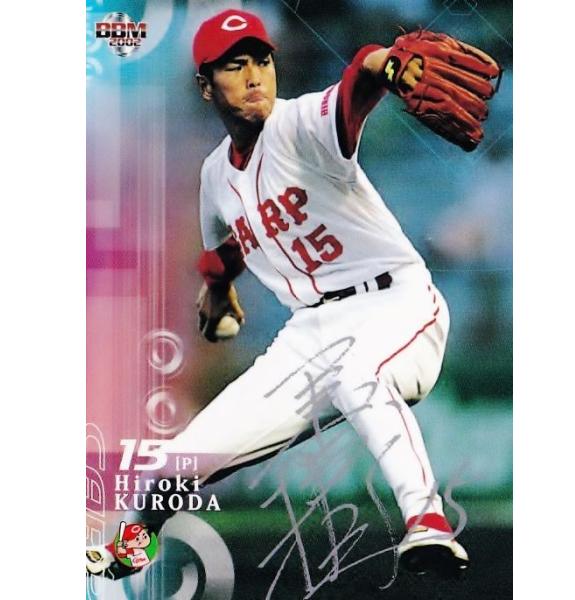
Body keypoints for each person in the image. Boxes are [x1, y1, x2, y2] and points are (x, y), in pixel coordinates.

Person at [87, 8, 500, 583]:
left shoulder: (301, 123)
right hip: (308, 332)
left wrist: (386, 64)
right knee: (175, 463)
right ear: (206, 86)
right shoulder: (215, 175)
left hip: (397, 305)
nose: (253, 74)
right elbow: (224, 248)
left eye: (262, 60)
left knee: (357, 374)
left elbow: (358, 81)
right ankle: (134, 543)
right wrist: (218, 294)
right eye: (235, 65)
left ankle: (426, 519)